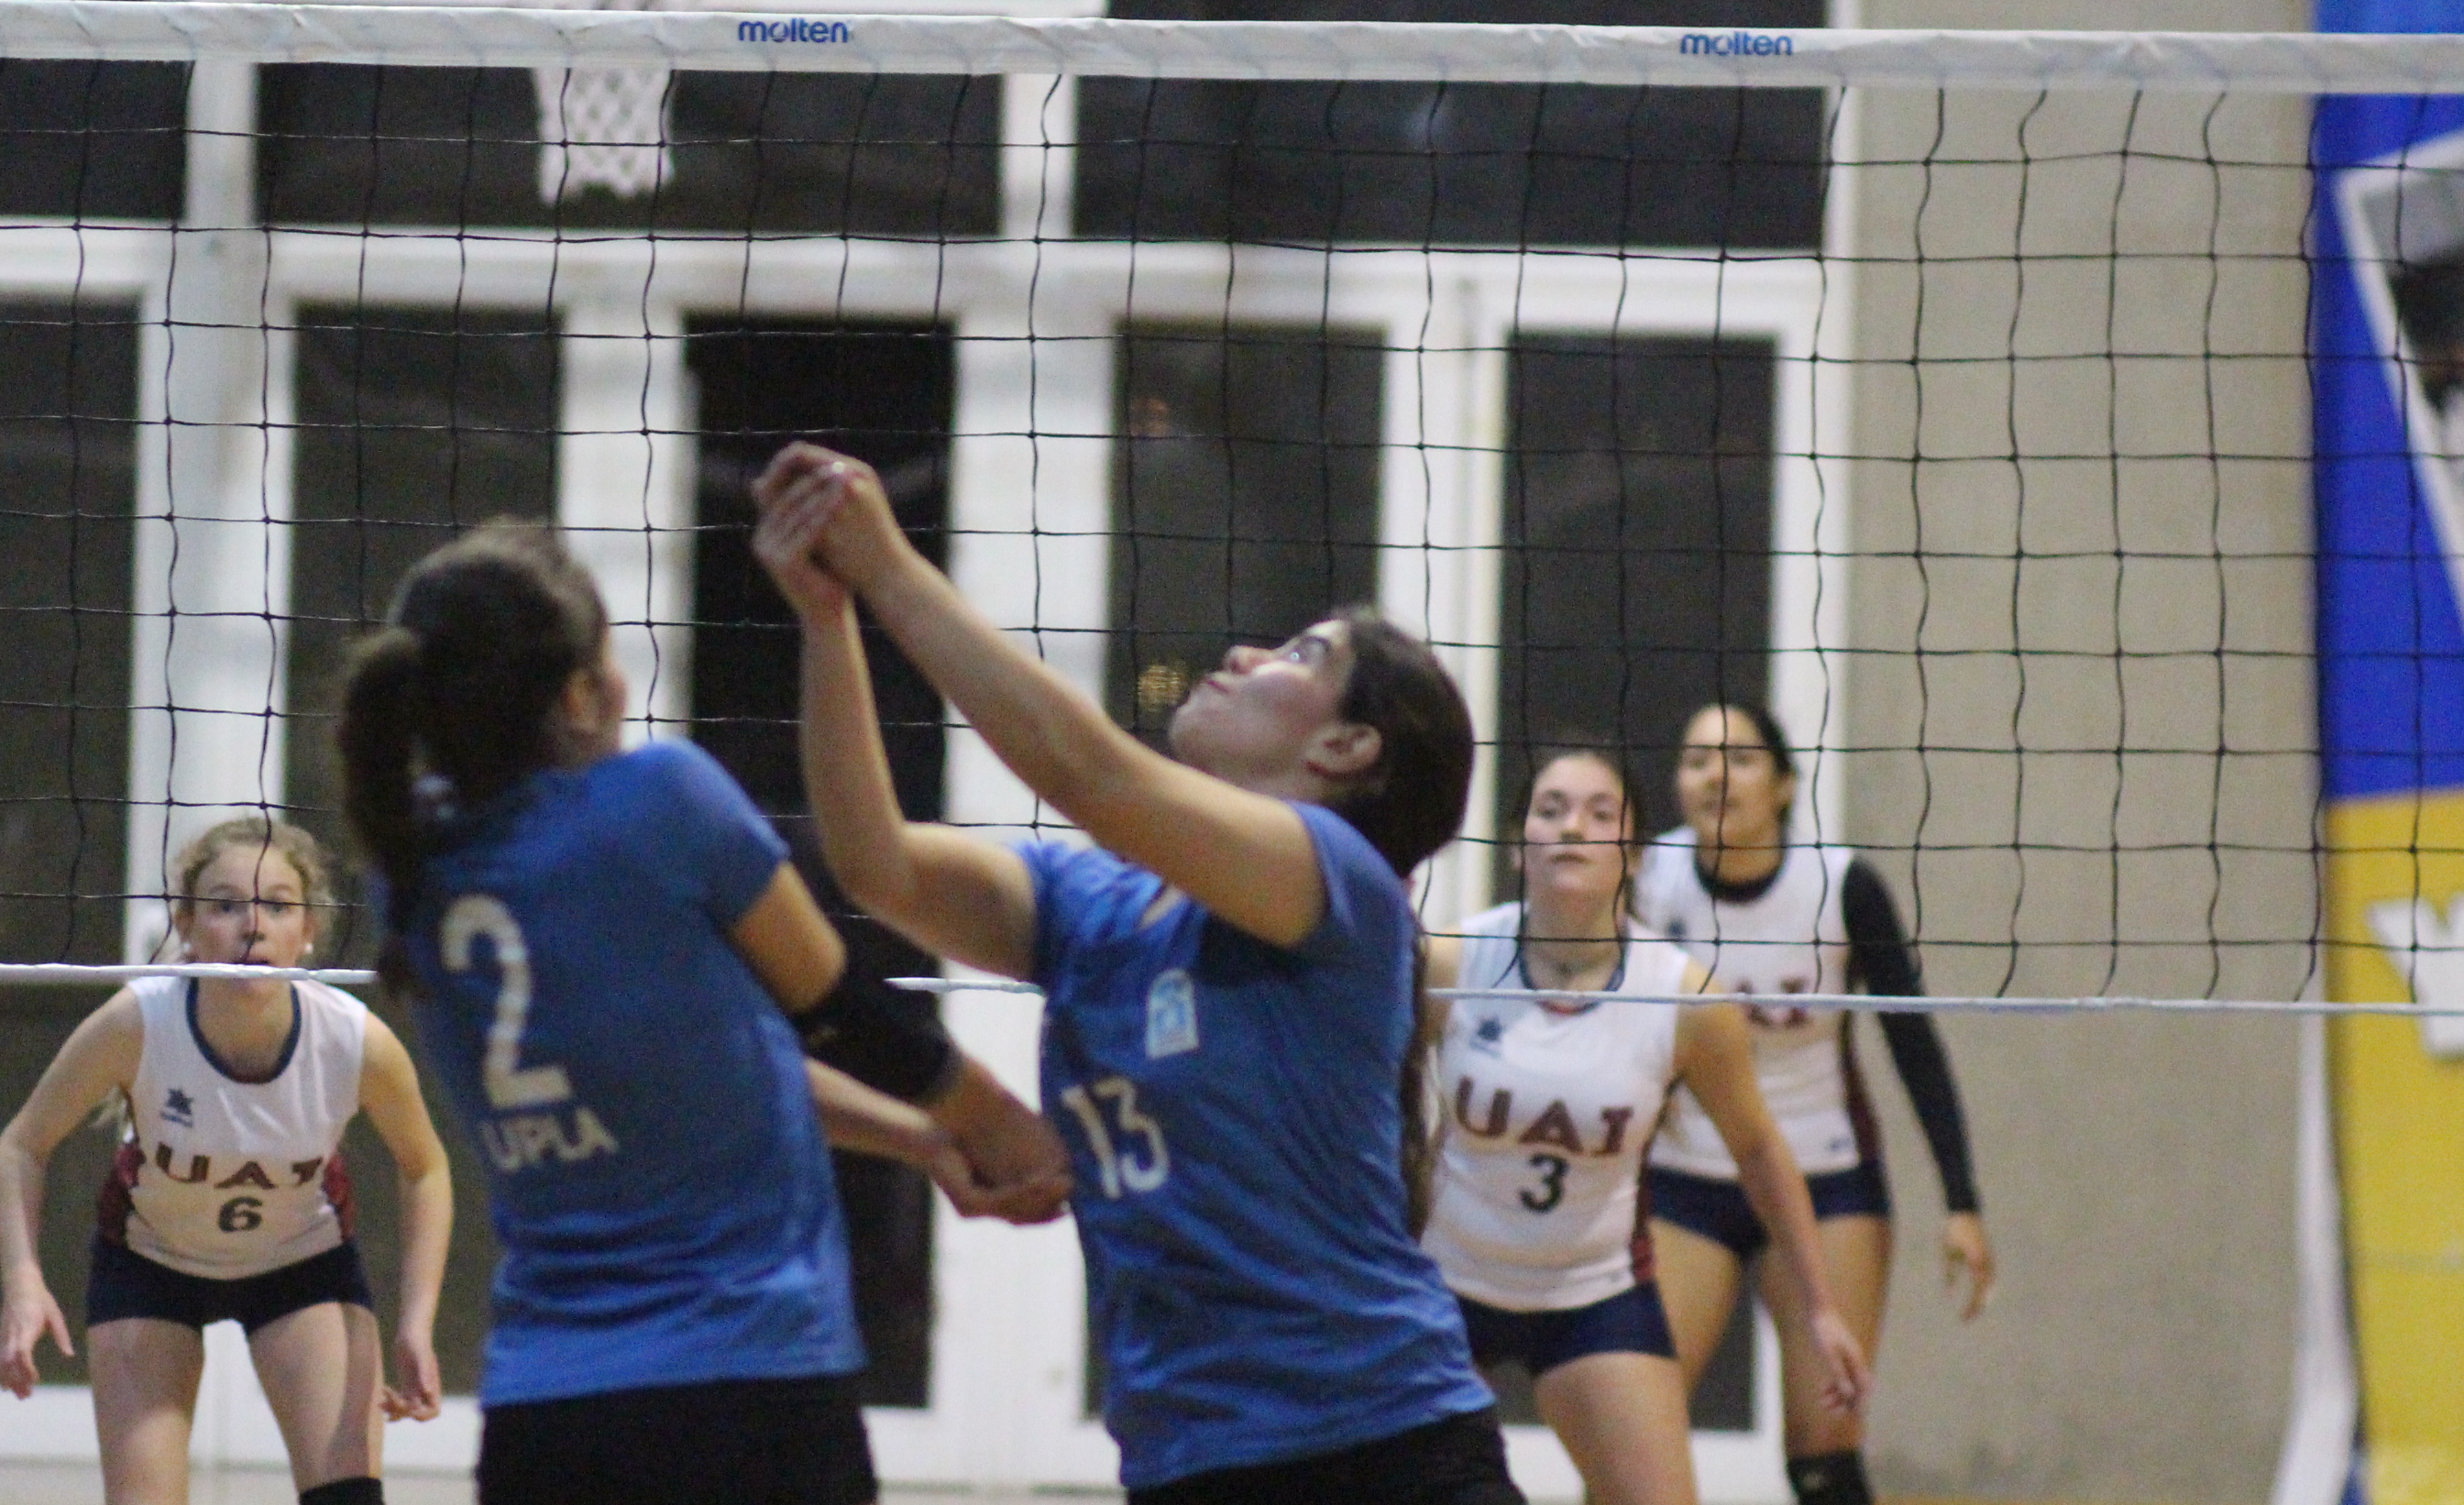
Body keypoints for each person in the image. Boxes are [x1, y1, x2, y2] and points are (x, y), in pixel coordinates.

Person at [751, 441, 1520, 1505]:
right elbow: (875, 866)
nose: (1245, 653)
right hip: (1186, 1458)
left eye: (1300, 654)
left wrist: (890, 569)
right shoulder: (1095, 907)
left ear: (1347, 747)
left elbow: (1089, 773)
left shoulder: (1340, 883)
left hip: (1381, 1452)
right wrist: (828, 618)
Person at [335, 519, 1072, 1505]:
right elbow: (838, 1009)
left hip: (545, 1419)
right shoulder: (658, 800)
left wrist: (921, 1140)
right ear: (580, 696)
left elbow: (716, 1064)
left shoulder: (412, 872)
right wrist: (996, 1119)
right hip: (749, 1394)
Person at [1421, 748, 1867, 1505]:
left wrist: (1822, 1308)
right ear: (1518, 846)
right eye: (1552, 810)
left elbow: (1759, 1150)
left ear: (1633, 856)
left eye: (1600, 814)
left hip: (1594, 1297)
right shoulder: (1450, 962)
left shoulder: (1687, 999)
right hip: (1445, 1287)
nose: (1573, 827)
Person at [0, 816, 452, 1505]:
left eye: (277, 907)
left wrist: (417, 1320)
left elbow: (427, 1169)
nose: (253, 926)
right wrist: (23, 1281)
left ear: (309, 931)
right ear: (186, 924)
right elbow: (22, 1146)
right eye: (226, 906)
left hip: (302, 1264)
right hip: (150, 1264)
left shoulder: (354, 1041)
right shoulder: (137, 1022)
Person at [1636, 703, 1997, 1505]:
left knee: (1824, 1455)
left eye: (1740, 758)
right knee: (1630, 1442)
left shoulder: (1840, 886)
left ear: (1784, 784)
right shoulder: (1649, 880)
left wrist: (1961, 1201)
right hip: (1686, 1178)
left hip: (1825, 1177)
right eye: (1696, 760)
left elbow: (1914, 1044)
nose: (1715, 775)